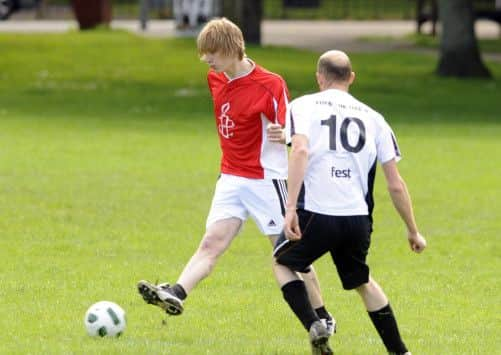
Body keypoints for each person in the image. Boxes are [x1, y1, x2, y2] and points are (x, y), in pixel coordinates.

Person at [137, 17, 335, 341]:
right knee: (211, 243)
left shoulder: (270, 83)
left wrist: (280, 131)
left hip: (264, 180)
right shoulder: (215, 78)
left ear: (231, 49)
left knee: (289, 255)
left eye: (212, 52)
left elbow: (292, 130)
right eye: (204, 53)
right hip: (230, 177)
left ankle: (323, 317)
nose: (206, 59)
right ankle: (176, 292)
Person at [273, 50, 427, 354]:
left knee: (283, 263)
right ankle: (401, 352)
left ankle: (314, 323)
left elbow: (300, 151)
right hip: (357, 219)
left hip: (316, 213)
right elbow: (395, 184)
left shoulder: (302, 106)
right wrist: (412, 229)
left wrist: (290, 208)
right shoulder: (375, 119)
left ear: (319, 78)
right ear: (351, 78)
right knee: (363, 281)